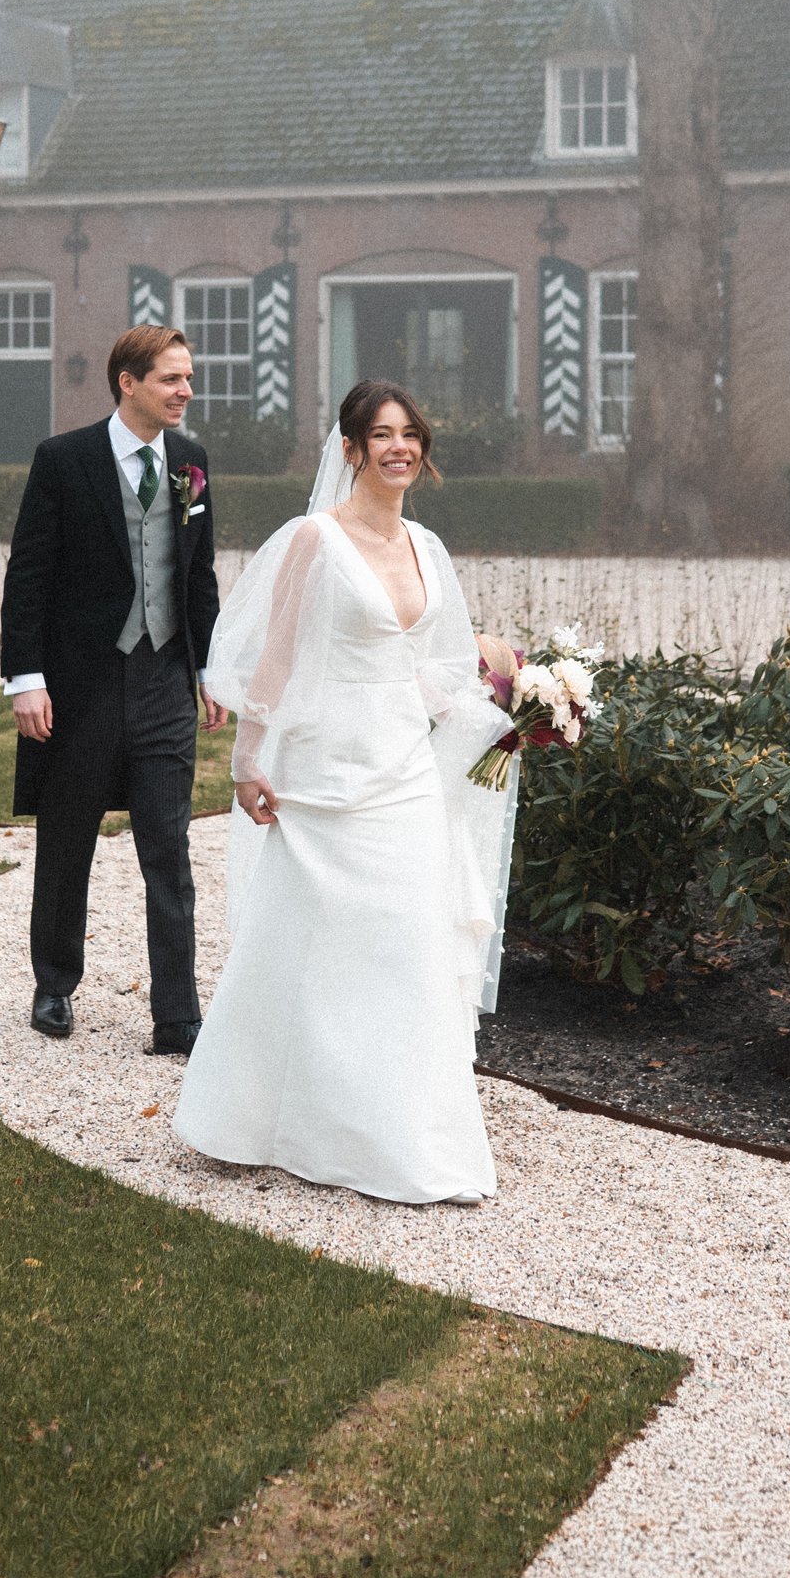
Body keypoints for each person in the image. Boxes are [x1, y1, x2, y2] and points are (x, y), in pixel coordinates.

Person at [173, 381, 518, 1205]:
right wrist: (247, 761)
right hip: (322, 771)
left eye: (410, 435)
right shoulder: (312, 540)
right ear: (352, 448)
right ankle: (251, 1118)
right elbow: (276, 659)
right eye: (381, 435)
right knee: (294, 944)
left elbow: (439, 672)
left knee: (406, 944)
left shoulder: (427, 548)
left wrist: (517, 702)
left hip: (402, 771)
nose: (398, 447)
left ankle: (402, 1140)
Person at [0, 325, 223, 1055]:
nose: (184, 390)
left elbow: (197, 578)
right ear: (126, 382)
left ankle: (177, 1013)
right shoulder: (63, 460)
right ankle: (55, 984)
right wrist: (26, 679)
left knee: (169, 846)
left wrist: (209, 669)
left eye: (187, 378)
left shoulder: (190, 463)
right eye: (170, 379)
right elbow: (27, 576)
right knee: (68, 842)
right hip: (81, 684)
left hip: (163, 681)